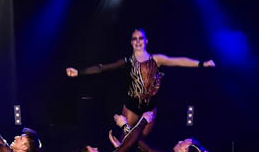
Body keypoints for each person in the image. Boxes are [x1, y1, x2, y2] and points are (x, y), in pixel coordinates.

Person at [65, 28, 214, 136]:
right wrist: (79, 72)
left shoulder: (156, 59)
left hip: (150, 107)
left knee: (141, 139)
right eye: (134, 39)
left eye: (141, 38)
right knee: (126, 139)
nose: (138, 41)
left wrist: (202, 64)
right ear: (131, 42)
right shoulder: (127, 61)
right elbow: (103, 68)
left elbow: (178, 61)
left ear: (146, 41)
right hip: (132, 106)